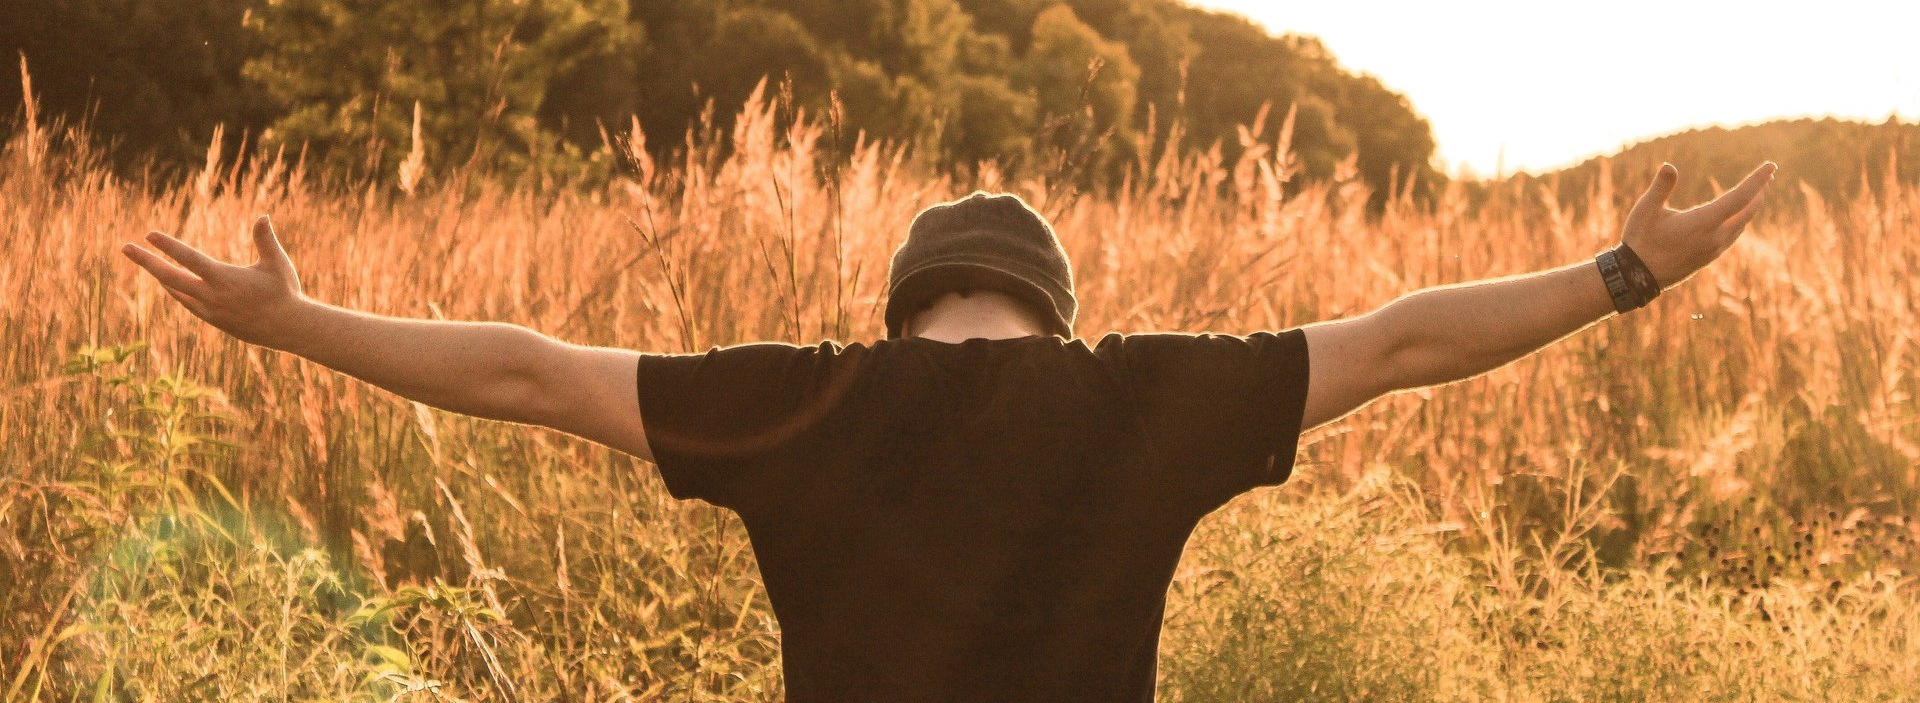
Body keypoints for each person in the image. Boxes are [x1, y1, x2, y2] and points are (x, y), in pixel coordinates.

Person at [121, 161, 1775, 701]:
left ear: (905, 304)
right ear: (1050, 308)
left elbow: (532, 370)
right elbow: (1411, 335)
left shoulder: (803, 399)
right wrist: (1627, 268)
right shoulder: (1141, 396)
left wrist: (296, 321)